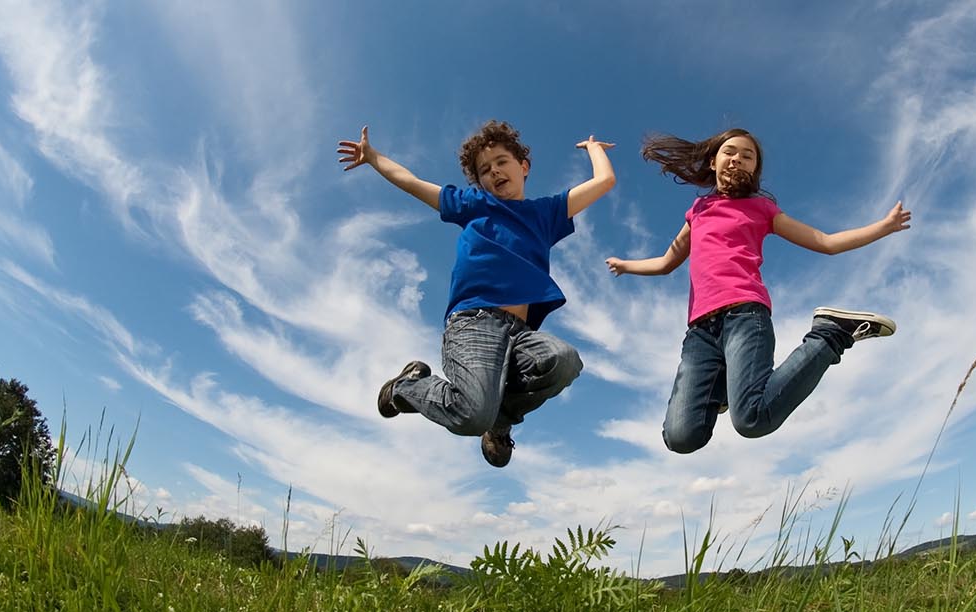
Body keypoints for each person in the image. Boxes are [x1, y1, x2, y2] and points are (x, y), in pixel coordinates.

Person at [606, 128, 911, 454]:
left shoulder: (761, 209)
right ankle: (721, 388)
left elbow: (825, 242)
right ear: (713, 161)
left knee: (752, 420)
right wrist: (627, 265)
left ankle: (830, 335)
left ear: (754, 170)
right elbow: (667, 261)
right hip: (700, 333)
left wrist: (884, 227)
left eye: (747, 156)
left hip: (744, 316)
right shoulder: (697, 212)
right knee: (680, 438)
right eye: (730, 152)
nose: (737, 158)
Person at [337, 121, 616, 467]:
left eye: (502, 161)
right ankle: (407, 387)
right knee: (471, 415)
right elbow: (412, 183)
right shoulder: (472, 204)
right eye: (485, 170)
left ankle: (501, 421)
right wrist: (373, 157)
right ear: (479, 181)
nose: (494, 171)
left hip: (521, 334)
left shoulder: (545, 214)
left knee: (564, 361)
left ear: (523, 167)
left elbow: (604, 182)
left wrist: (594, 149)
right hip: (474, 323)